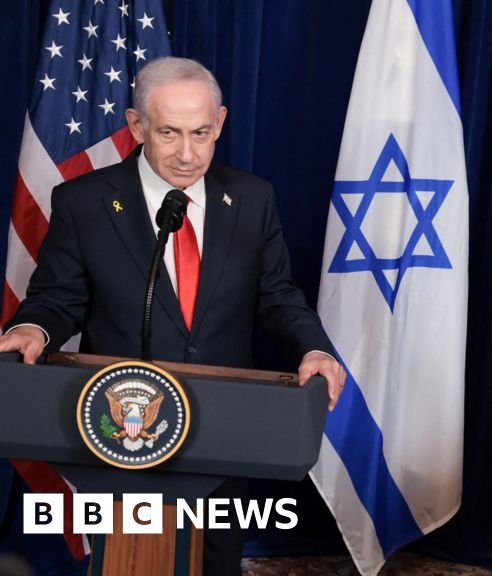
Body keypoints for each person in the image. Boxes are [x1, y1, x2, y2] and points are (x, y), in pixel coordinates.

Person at [0, 57, 345, 575]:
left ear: (220, 123)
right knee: (133, 562)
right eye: (169, 133)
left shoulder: (251, 199)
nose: (187, 154)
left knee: (216, 562)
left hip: (222, 423)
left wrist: (313, 348)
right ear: (137, 126)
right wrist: (33, 327)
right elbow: (56, 297)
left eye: (201, 133)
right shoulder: (85, 202)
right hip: (124, 426)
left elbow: (277, 295)